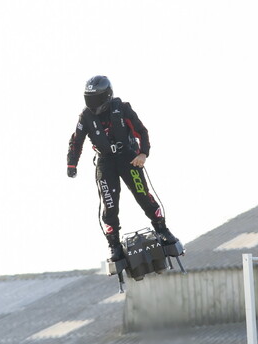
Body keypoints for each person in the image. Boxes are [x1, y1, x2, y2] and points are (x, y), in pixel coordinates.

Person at [67, 75, 179, 261]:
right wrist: (72, 163)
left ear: (107, 95)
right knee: (109, 205)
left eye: (96, 98)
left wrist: (143, 153)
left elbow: (141, 131)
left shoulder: (122, 108)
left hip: (128, 158)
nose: (92, 102)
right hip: (105, 162)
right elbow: (76, 141)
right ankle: (114, 246)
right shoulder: (85, 116)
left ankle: (163, 230)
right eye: (89, 98)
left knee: (143, 195)